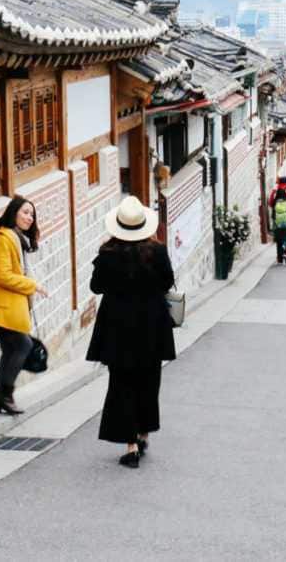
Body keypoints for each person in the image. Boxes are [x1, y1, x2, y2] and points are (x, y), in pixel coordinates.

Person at [86, 196, 176, 468]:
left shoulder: (107, 253)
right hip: (151, 326)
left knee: (122, 384)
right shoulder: (157, 252)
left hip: (117, 328)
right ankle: (143, 431)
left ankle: (131, 445)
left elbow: (96, 287)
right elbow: (167, 282)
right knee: (149, 381)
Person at [0, 195, 48, 416]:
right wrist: (33, 286)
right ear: (13, 213)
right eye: (25, 212)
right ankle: (5, 395)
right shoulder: (4, 239)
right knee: (23, 345)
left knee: (10, 349)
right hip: (2, 307)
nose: (29, 218)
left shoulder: (18, 240)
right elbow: (3, 276)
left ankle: (1, 398)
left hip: (11, 305)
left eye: (32, 215)